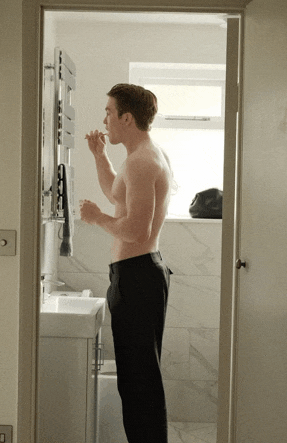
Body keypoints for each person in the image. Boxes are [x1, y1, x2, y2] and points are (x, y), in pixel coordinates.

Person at [79, 83, 173, 443]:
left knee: (140, 383)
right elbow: (115, 192)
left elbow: (135, 229)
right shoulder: (139, 158)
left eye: (108, 112)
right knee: (136, 380)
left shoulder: (143, 162)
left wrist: (96, 218)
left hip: (138, 278)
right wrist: (99, 155)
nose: (104, 119)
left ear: (127, 117)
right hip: (136, 276)